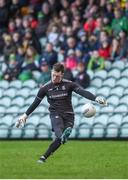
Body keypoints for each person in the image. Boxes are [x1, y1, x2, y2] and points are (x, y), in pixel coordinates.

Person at [15, 63, 107, 164]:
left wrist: (96, 98)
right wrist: (24, 116)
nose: (54, 78)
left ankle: (43, 157)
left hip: (69, 115)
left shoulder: (69, 84)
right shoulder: (45, 88)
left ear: (62, 75)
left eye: (57, 76)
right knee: (60, 131)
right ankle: (63, 136)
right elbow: (35, 103)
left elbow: (82, 92)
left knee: (59, 140)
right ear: (51, 73)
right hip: (55, 113)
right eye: (53, 75)